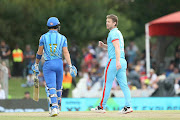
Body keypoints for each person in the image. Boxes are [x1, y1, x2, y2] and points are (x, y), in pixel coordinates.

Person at [31, 17, 77, 117]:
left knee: (51, 86)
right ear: (58, 26)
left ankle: (54, 108)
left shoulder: (43, 37)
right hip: (59, 63)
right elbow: (66, 52)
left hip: (48, 64)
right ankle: (58, 107)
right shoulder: (63, 38)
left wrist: (36, 64)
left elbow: (39, 52)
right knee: (58, 87)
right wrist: (70, 65)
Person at [91, 14, 133, 114]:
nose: (107, 23)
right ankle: (128, 106)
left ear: (114, 23)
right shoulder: (118, 32)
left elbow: (117, 48)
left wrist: (117, 61)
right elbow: (114, 47)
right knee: (124, 85)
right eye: (106, 21)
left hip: (115, 60)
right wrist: (104, 46)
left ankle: (101, 107)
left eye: (109, 21)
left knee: (107, 83)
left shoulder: (113, 33)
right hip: (122, 60)